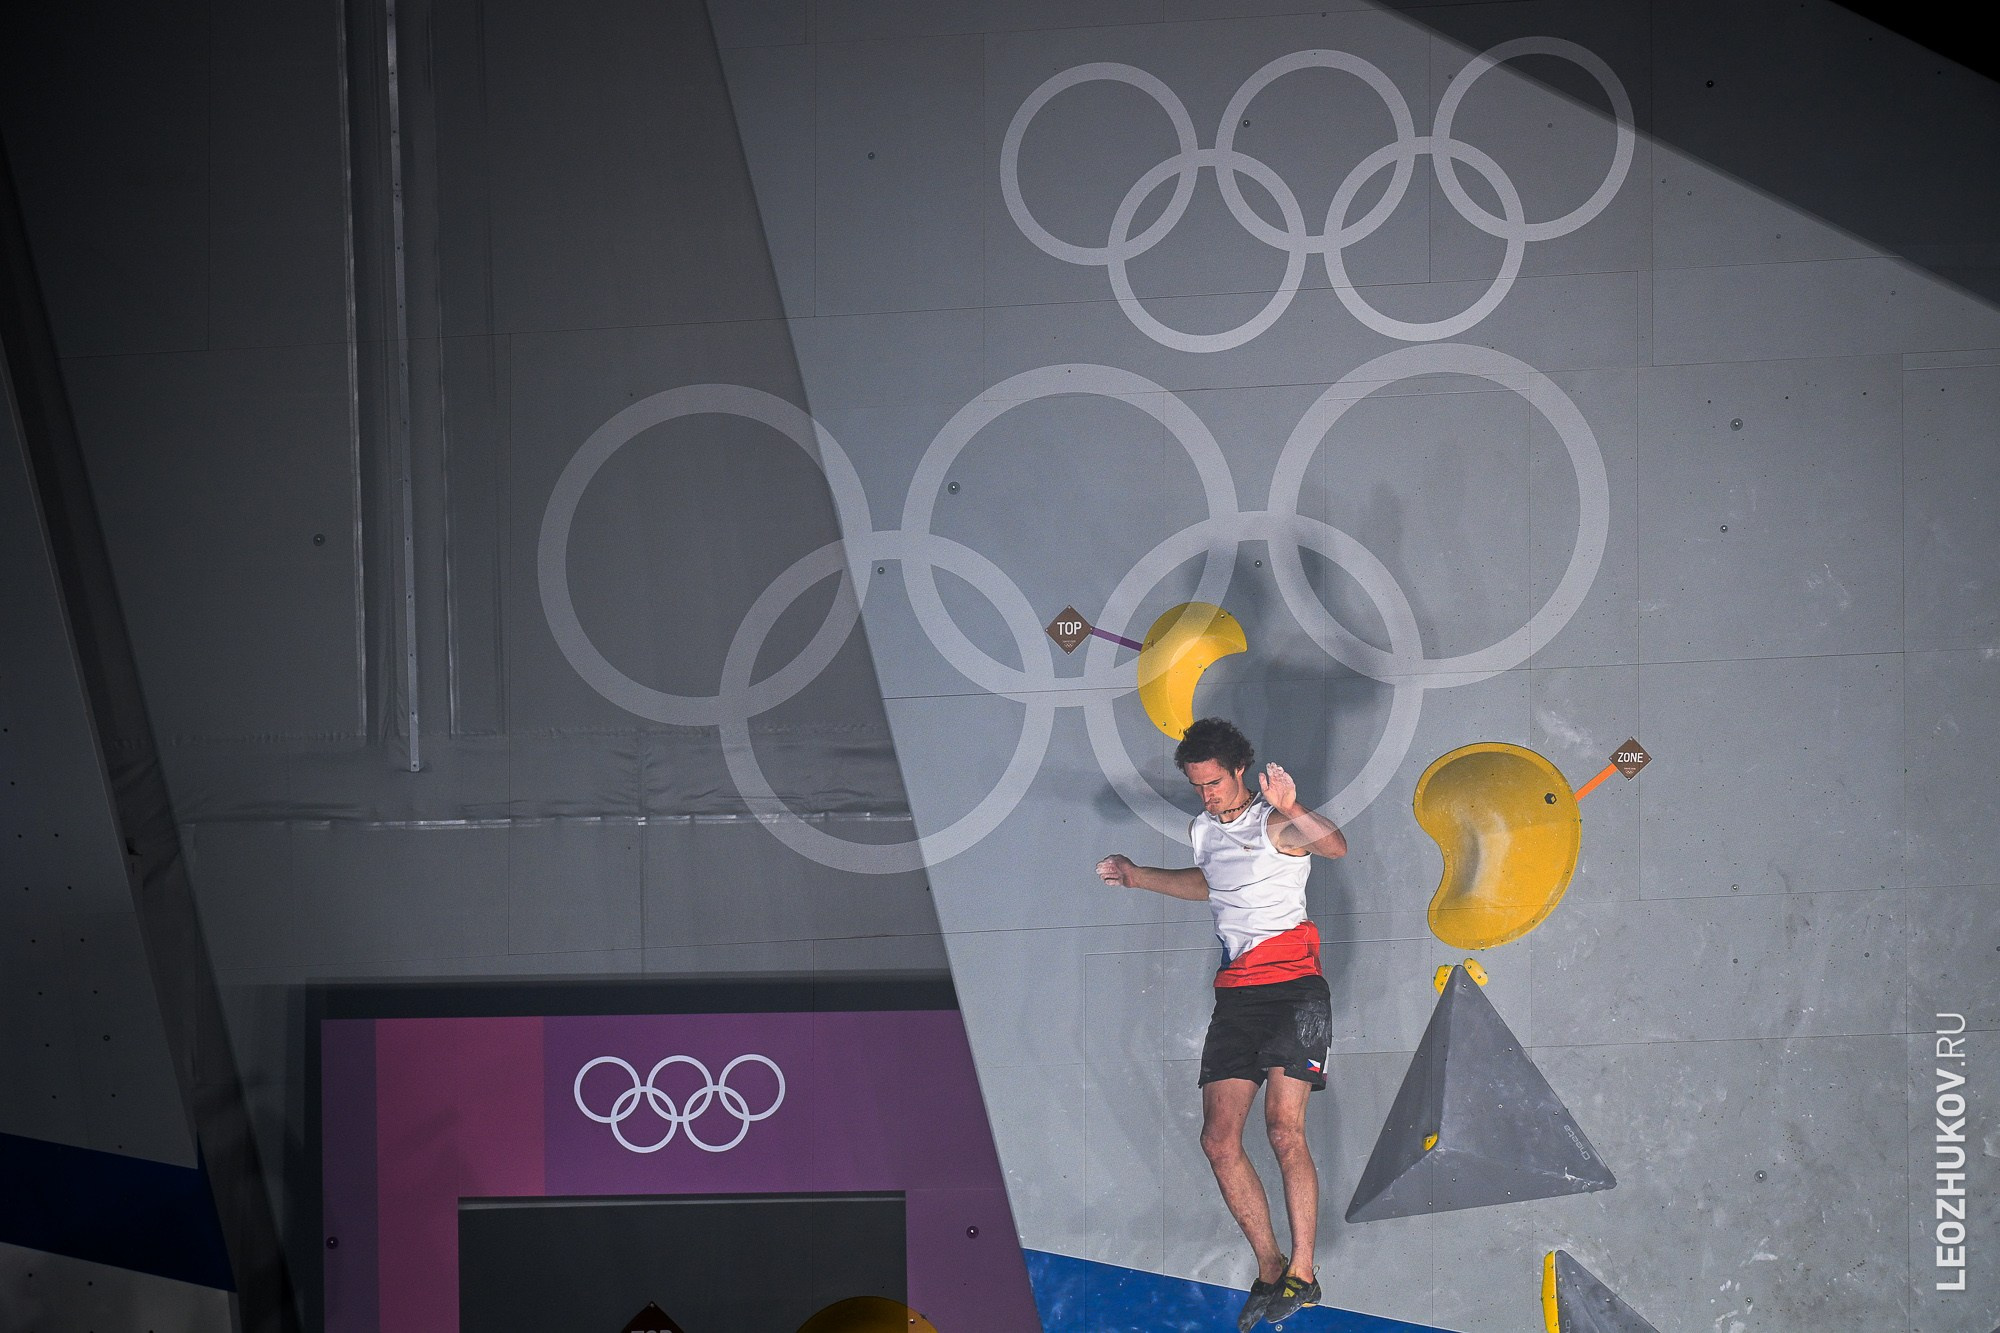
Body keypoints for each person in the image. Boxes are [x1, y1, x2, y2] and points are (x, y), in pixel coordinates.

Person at [1095, 717, 1346, 1331]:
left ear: (1239, 772)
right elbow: (1209, 885)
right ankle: (1270, 1266)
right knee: (1218, 1140)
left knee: (1284, 1130)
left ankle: (1304, 1274)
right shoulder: (1204, 829)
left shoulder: (1276, 823)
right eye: (1197, 785)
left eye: (1214, 782)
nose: (1206, 794)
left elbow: (1334, 846)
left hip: (1295, 992)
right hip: (1237, 997)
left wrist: (1296, 806)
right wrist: (1136, 876)